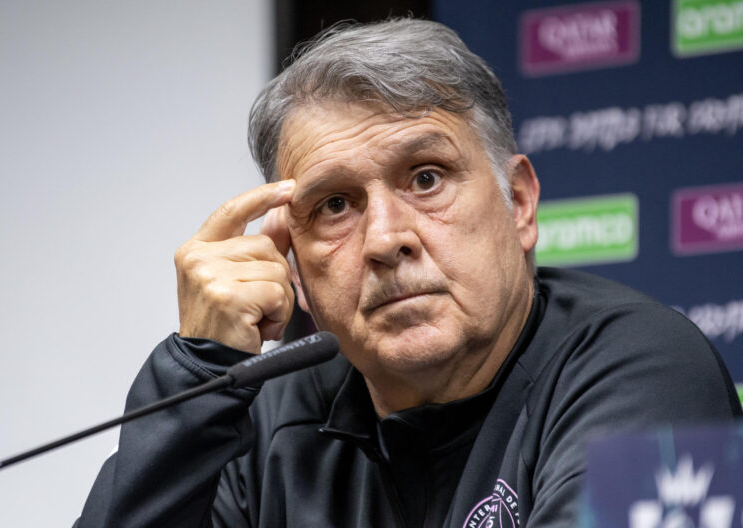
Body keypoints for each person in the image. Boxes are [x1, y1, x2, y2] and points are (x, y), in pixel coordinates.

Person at [75, 18, 741, 528]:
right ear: (293, 264)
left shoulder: (646, 370)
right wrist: (200, 371)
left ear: (522, 204)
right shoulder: (271, 423)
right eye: (335, 205)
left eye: (427, 178)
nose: (386, 239)